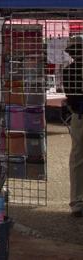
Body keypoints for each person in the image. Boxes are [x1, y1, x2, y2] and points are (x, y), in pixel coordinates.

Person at [63, 35, 83, 217]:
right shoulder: (69, 71)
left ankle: (77, 202)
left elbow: (70, 99)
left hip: (79, 117)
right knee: (77, 159)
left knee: (77, 159)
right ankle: (77, 202)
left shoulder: (69, 71)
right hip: (79, 116)